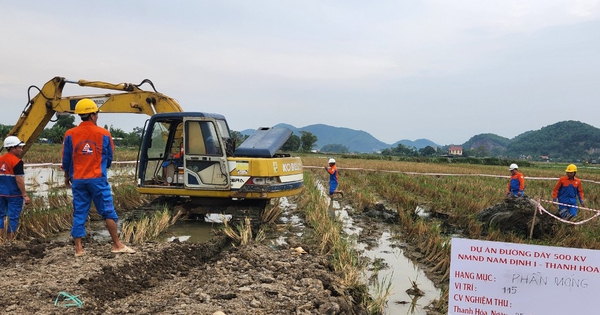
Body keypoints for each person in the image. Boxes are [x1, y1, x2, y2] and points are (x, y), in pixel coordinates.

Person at [62, 99, 135, 256]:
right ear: (93, 115)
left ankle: (79, 249)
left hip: (78, 180)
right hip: (97, 179)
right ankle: (117, 244)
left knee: (80, 211)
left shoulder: (70, 134)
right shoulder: (104, 134)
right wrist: (102, 167)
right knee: (107, 211)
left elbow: (66, 159)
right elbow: (109, 158)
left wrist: (67, 176)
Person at [0, 136, 31, 240]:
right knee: (13, 218)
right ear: (12, 148)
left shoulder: (0, 160)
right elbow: (19, 180)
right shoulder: (17, 162)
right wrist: (25, 195)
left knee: (0, 216)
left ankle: (0, 241)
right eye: (19, 147)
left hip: (1, 194)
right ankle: (9, 242)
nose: (21, 150)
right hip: (14, 195)